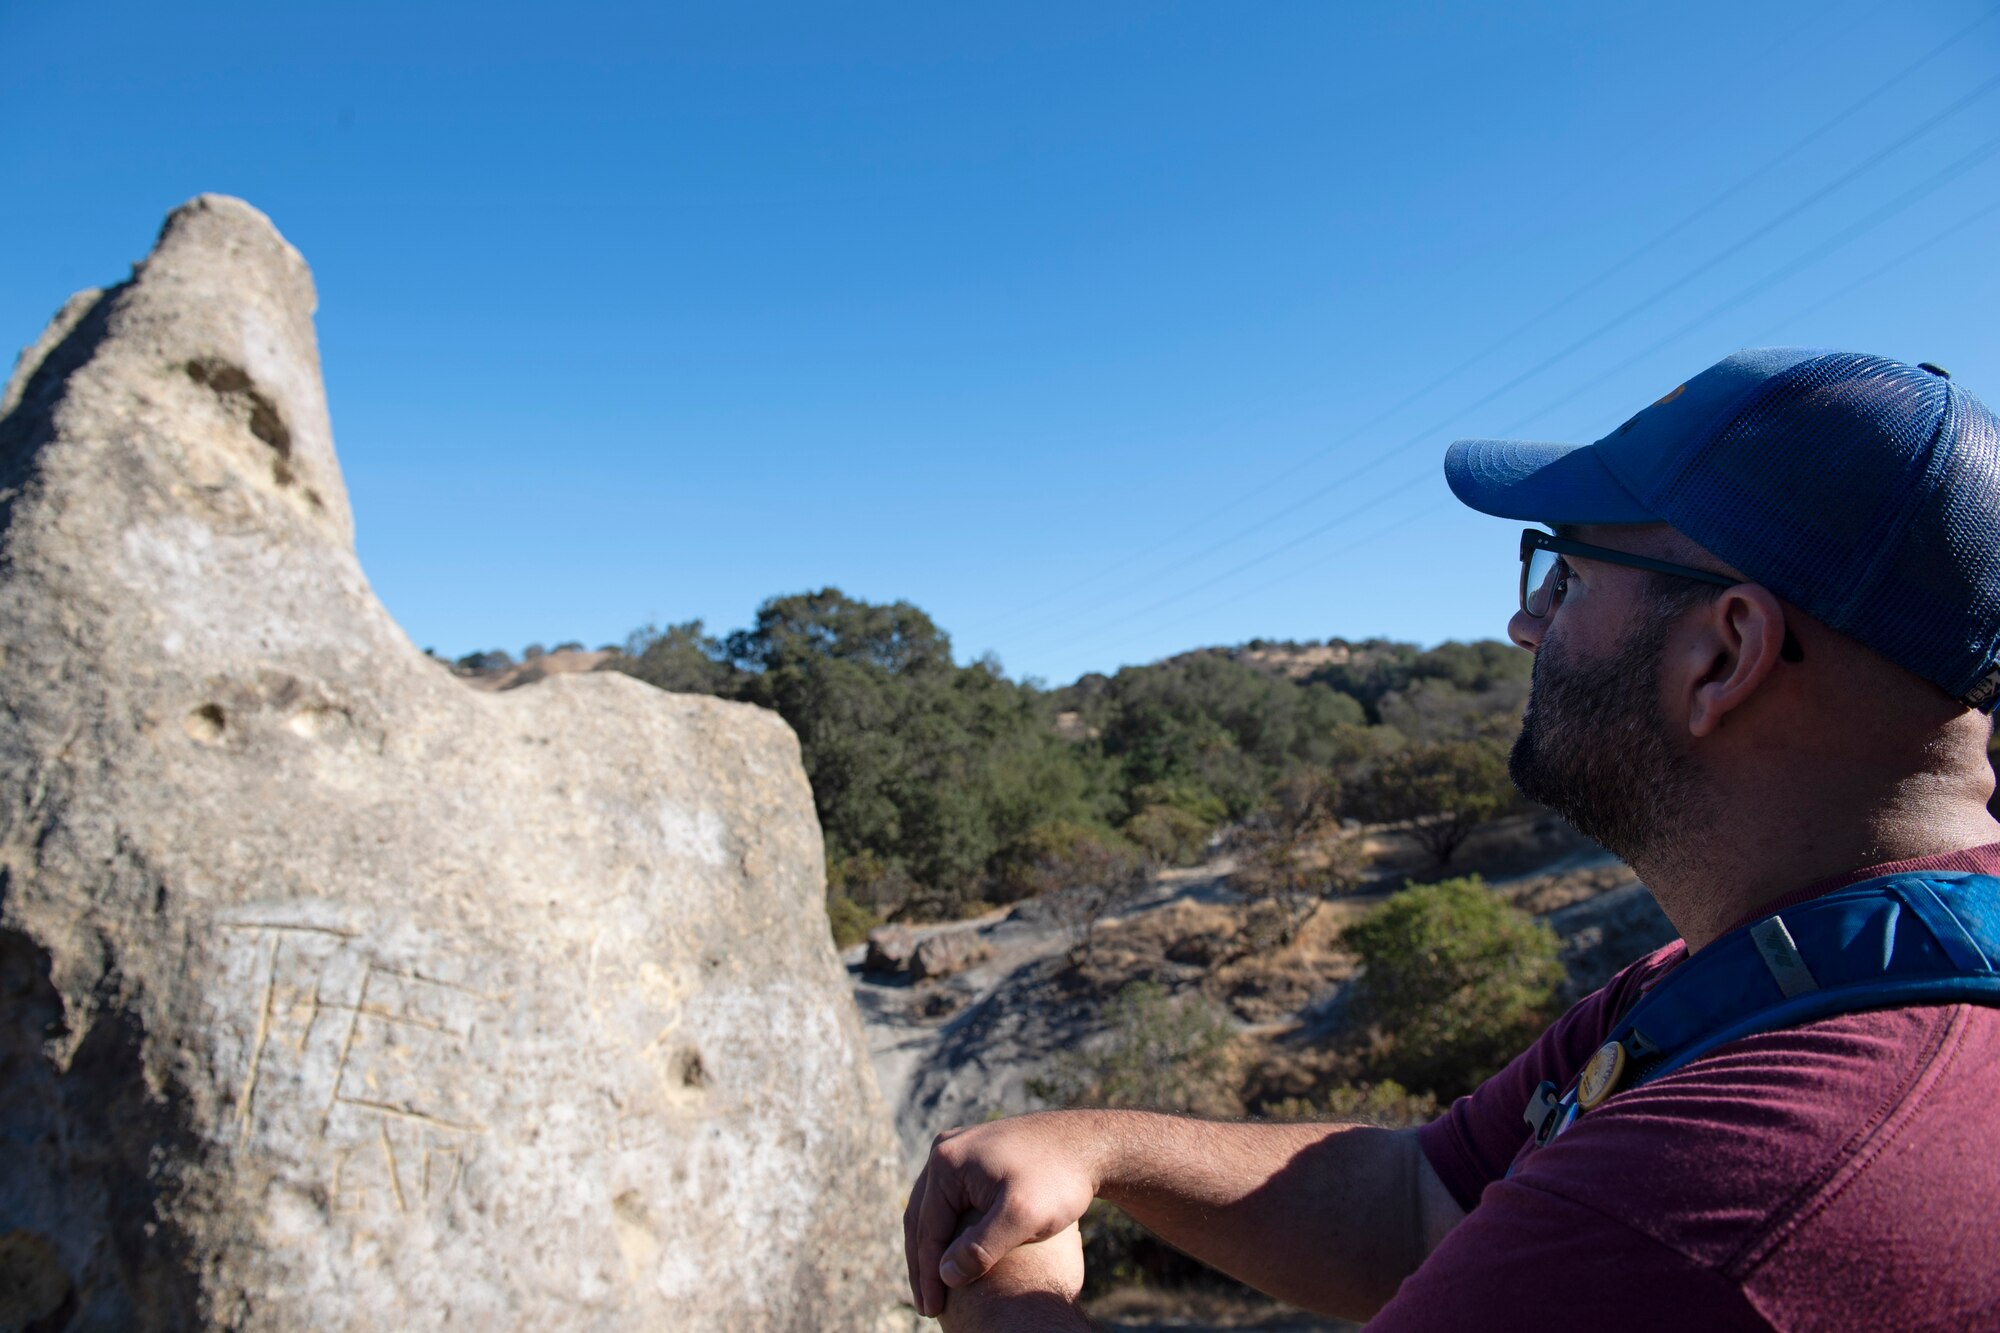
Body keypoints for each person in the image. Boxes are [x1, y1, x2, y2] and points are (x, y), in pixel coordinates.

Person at [903, 348, 2000, 1331]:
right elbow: (1421, 1199)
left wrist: (1006, 1296)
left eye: (1562, 575)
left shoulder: (1731, 1185)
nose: (1524, 623)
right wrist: (1101, 1149)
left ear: (1721, 655)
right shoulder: (1794, 968)